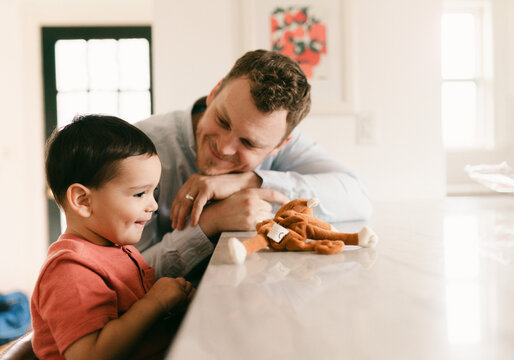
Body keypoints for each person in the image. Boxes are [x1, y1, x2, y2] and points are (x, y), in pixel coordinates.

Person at [135, 49, 372, 281]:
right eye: (222, 120)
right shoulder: (142, 145)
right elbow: (124, 277)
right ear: (214, 93)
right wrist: (208, 223)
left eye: (248, 143)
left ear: (280, 145)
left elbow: (356, 196)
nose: (225, 148)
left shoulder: (278, 138)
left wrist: (249, 180)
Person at [31, 115, 195, 360]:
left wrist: (172, 306)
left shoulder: (118, 249)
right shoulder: (70, 269)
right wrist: (156, 302)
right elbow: (90, 355)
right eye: (140, 194)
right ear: (83, 201)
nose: (152, 205)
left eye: (154, 191)